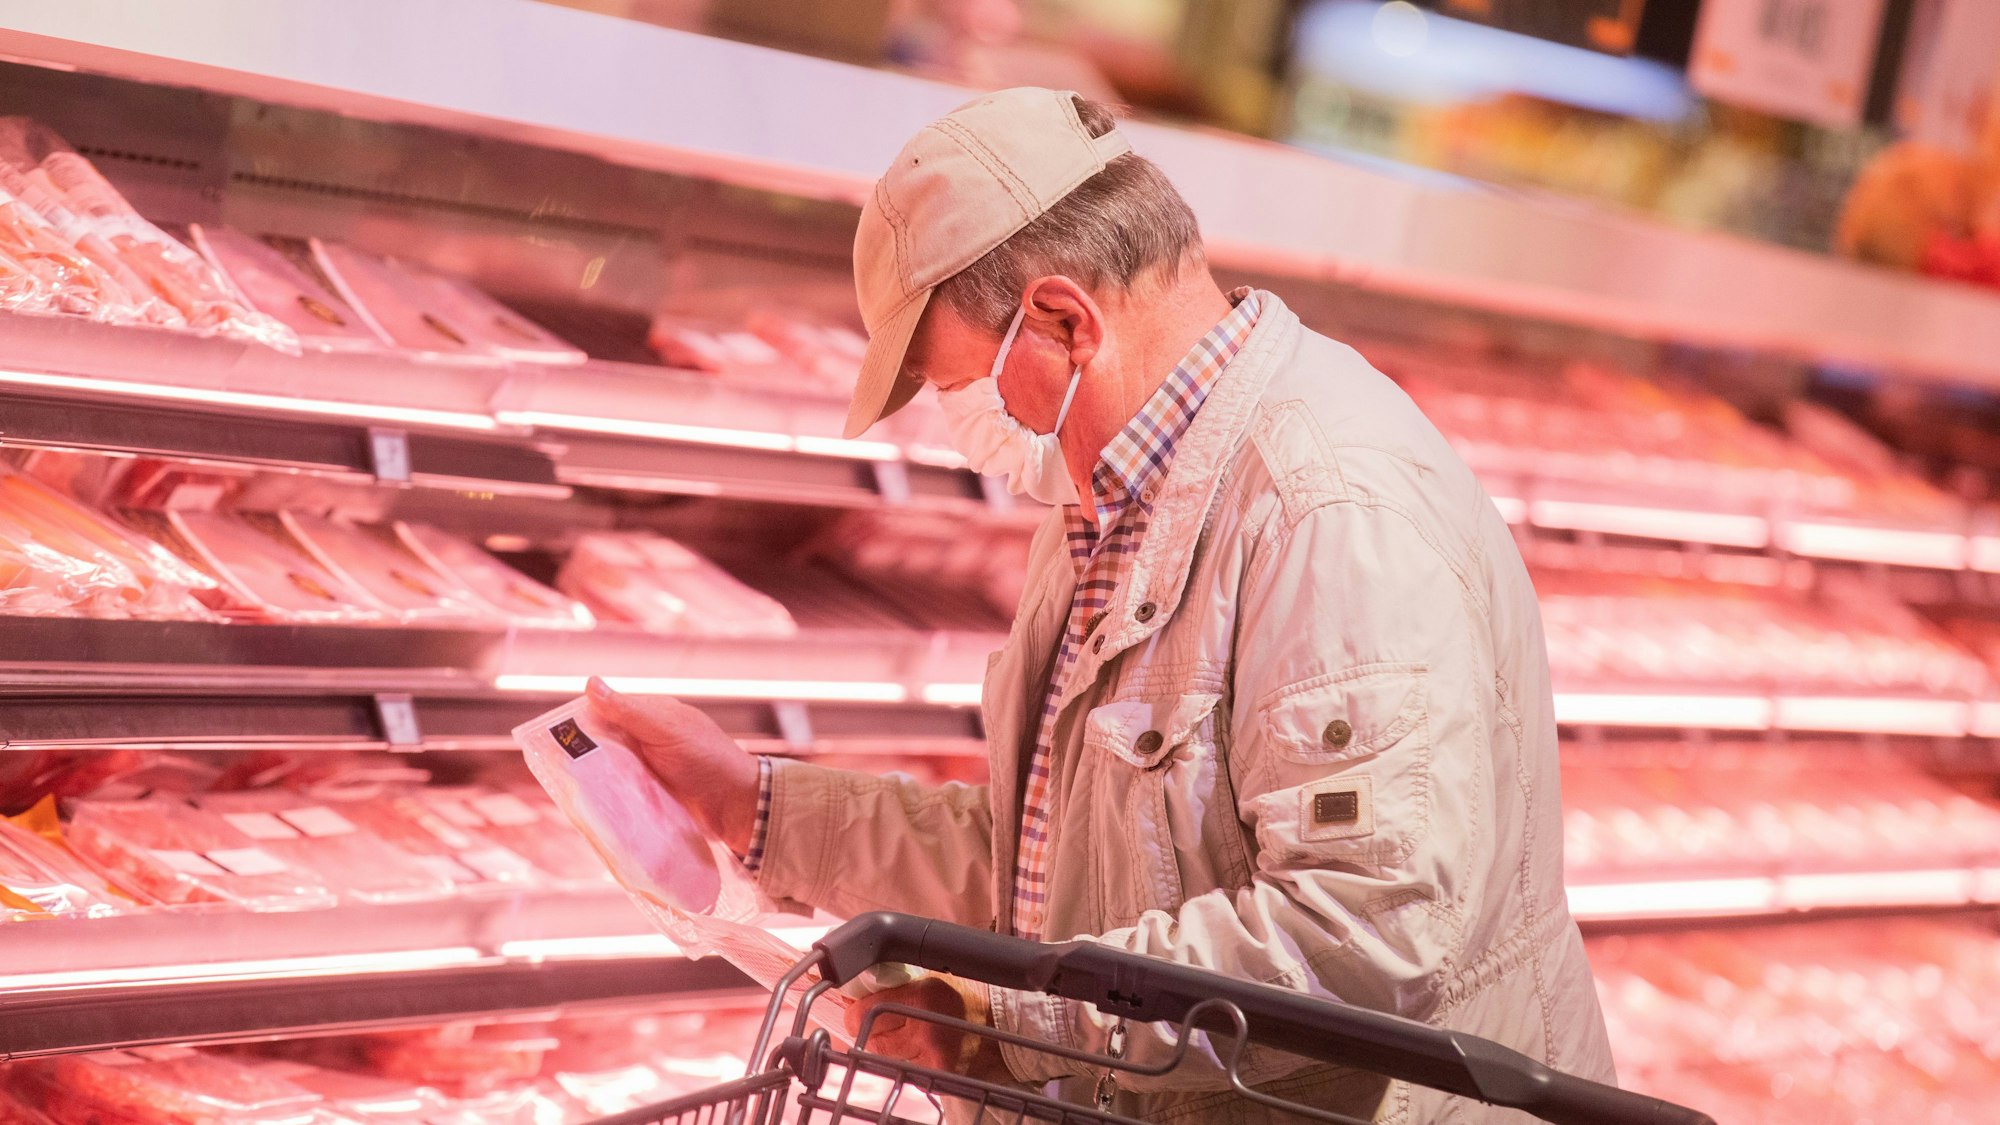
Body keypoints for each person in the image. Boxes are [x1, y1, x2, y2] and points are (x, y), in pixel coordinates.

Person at [588, 87, 1616, 1123]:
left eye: (961, 387)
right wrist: (753, 808)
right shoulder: (1112, 503)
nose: (966, 429)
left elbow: (1359, 935)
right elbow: (1050, 863)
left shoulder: (1325, 512)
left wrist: (996, 1009)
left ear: (1061, 321)